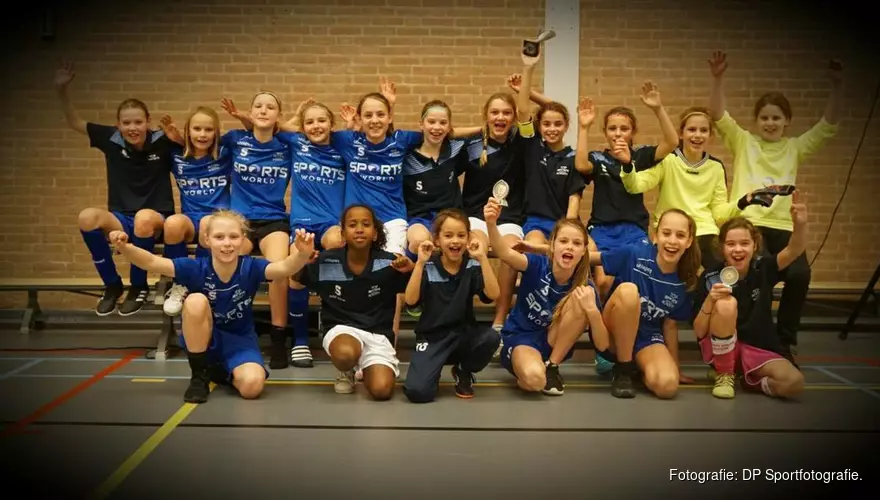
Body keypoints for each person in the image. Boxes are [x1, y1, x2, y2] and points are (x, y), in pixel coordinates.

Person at [708, 50, 842, 358]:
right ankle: (752, 339)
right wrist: (718, 79)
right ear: (756, 121)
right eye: (765, 117)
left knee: (799, 275)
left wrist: (836, 87)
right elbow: (718, 115)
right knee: (758, 280)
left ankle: (785, 341)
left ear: (786, 121)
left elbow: (827, 126)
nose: (770, 123)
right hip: (750, 228)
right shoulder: (744, 142)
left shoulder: (794, 148)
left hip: (783, 227)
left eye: (776, 118)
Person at [108, 210, 317, 403]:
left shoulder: (251, 267)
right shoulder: (195, 267)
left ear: (244, 239)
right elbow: (152, 262)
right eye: (219, 237)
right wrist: (125, 247)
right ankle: (198, 377)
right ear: (207, 240)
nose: (227, 243)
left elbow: (283, 268)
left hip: (239, 340)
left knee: (252, 387)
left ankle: (220, 371)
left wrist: (302, 253)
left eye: (234, 237)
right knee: (195, 300)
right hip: (204, 337)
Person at [56, 61, 176, 316]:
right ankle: (112, 285)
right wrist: (62, 91)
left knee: (144, 218)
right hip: (121, 217)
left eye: (138, 122)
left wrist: (176, 134)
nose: (133, 128)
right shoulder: (111, 139)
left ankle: (139, 286)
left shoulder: (163, 141)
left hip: (155, 218)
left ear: (148, 122)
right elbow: (75, 122)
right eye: (127, 123)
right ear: (119, 124)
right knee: (87, 217)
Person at [620, 107, 793, 270]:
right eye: (692, 130)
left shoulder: (715, 167)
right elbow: (635, 185)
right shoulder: (668, 160)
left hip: (704, 230)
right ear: (681, 133)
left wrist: (743, 202)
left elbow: (718, 214)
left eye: (703, 130)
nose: (697, 135)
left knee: (721, 271)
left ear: (711, 136)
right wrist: (628, 165)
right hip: (672, 229)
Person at [291, 204, 414, 400]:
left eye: (366, 224)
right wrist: (302, 259)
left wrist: (412, 268)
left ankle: (368, 365)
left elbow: (415, 295)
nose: (359, 229)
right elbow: (296, 280)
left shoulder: (391, 263)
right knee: (346, 354)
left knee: (382, 391)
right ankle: (346, 370)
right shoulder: (326, 260)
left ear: (375, 233)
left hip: (378, 334)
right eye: (352, 225)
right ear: (343, 234)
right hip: (342, 329)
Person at [486, 198, 608, 396]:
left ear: (584, 251)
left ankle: (552, 366)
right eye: (563, 241)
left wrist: (592, 312)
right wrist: (491, 223)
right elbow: (504, 253)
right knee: (534, 380)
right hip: (522, 338)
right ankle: (532, 370)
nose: (569, 247)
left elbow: (603, 345)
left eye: (577, 243)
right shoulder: (537, 264)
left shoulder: (584, 284)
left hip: (552, 341)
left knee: (582, 297)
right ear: (552, 245)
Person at [692, 194, 809, 399]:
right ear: (722, 248)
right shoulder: (710, 277)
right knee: (727, 305)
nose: (738, 249)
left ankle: (747, 380)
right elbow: (699, 330)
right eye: (731, 244)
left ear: (754, 246)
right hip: (720, 348)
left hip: (758, 349)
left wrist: (800, 224)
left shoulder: (763, 267)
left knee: (794, 383)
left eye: (744, 243)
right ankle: (724, 373)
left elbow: (794, 250)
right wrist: (711, 300)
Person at [593, 209, 700, 399]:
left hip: (646, 337)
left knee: (667, 386)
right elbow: (592, 258)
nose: (672, 241)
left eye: (680, 235)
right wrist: (544, 251)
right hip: (613, 333)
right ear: (655, 235)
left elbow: (670, 325)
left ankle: (638, 369)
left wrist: (674, 366)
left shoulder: (685, 281)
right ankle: (623, 370)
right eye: (666, 233)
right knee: (629, 291)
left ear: (689, 241)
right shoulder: (635, 253)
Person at [402, 209, 501, 402]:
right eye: (448, 236)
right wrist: (420, 263)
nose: (455, 241)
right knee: (418, 392)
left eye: (461, 235)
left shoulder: (472, 265)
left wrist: (482, 258)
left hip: (463, 335)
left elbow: (493, 294)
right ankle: (431, 369)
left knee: (491, 337)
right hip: (433, 338)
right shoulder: (428, 265)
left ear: (468, 238)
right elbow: (410, 300)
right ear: (437, 240)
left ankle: (463, 371)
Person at [156, 108, 232, 315]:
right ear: (188, 131)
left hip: (218, 220)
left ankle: (203, 283)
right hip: (190, 219)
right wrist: (178, 140)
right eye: (197, 129)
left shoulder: (225, 155)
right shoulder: (176, 156)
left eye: (209, 129)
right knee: (172, 223)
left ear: (216, 133)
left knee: (209, 221)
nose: (203, 134)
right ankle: (180, 284)